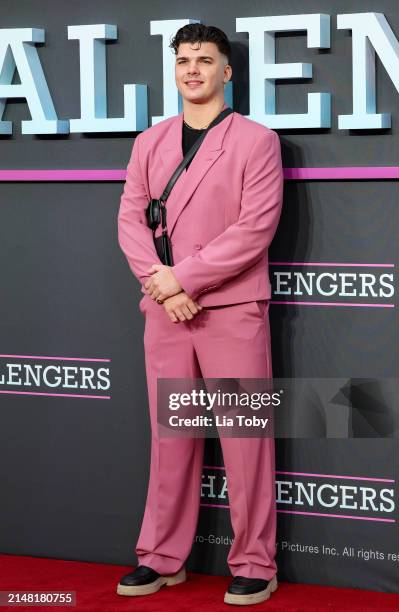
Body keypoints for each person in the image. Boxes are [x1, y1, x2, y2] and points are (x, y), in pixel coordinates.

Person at [115, 23, 284, 606]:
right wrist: (164, 289)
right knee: (172, 439)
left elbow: (255, 229)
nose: (192, 70)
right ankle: (161, 557)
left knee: (245, 439)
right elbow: (130, 223)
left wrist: (182, 279)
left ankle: (256, 562)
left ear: (226, 71)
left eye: (204, 60)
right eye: (184, 59)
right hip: (166, 311)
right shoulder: (149, 142)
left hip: (232, 310)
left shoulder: (256, 141)